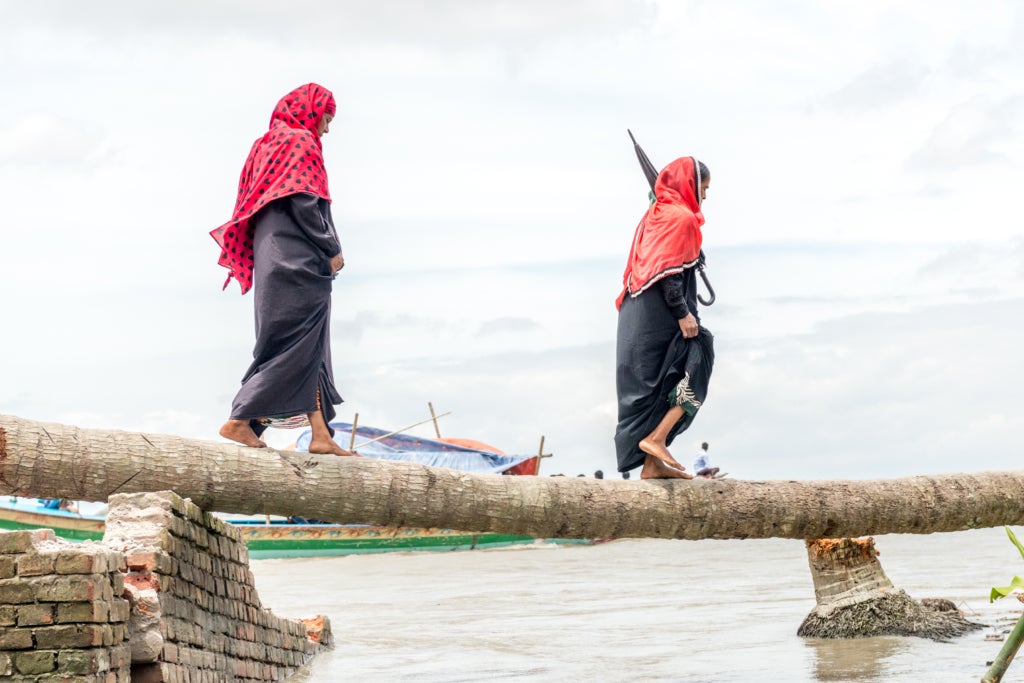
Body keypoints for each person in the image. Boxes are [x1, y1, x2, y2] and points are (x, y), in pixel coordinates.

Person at [211, 83, 354, 457]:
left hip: (272, 258)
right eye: (326, 118)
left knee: (305, 345)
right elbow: (305, 202)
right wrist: (332, 248)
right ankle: (241, 420)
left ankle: (320, 435)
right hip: (297, 260)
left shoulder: (266, 144)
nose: (326, 129)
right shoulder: (300, 143)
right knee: (296, 346)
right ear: (312, 111)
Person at [614, 156, 715, 480]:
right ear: (690, 185)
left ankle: (652, 465)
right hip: (661, 312)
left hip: (637, 313)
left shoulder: (654, 216)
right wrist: (683, 314)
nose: (705, 196)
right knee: (700, 357)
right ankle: (656, 439)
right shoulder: (679, 217)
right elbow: (668, 274)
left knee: (660, 384)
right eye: (704, 188)